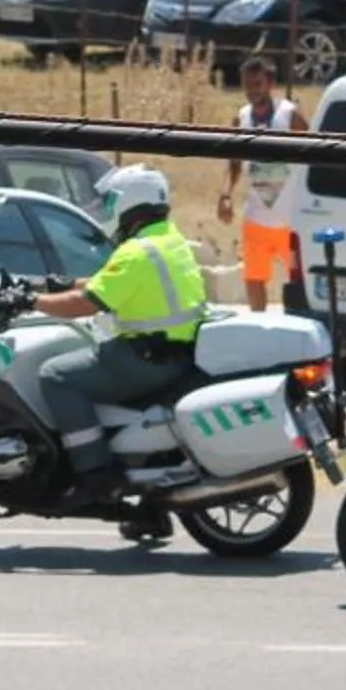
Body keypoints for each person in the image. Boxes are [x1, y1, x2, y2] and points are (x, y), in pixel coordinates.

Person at [33, 163, 208, 511]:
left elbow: (85, 304)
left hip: (143, 359)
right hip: (176, 353)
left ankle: (96, 474)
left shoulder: (136, 252)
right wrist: (62, 284)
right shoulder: (168, 240)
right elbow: (111, 281)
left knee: (56, 376)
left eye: (111, 202)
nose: (106, 210)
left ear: (130, 201)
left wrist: (32, 301)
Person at [215, 55, 305, 310]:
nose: (252, 91)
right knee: (254, 280)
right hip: (256, 219)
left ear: (270, 84)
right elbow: (233, 164)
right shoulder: (242, 118)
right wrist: (225, 195)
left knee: (300, 281)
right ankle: (259, 322)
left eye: (257, 84)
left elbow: (313, 156)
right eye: (247, 85)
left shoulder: (290, 116)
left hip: (290, 220)